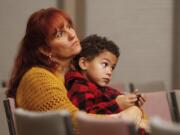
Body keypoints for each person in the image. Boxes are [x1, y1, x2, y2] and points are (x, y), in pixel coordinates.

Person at [6, 8, 148, 134]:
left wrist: (134, 110)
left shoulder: (71, 76)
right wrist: (123, 116)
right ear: (45, 49)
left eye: (69, 27)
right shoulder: (38, 77)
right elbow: (73, 124)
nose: (72, 34)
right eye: (60, 34)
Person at [65, 34, 146, 114]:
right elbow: (88, 118)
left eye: (112, 68)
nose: (109, 72)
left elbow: (118, 97)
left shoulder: (104, 89)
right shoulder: (79, 87)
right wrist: (117, 105)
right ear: (84, 64)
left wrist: (131, 101)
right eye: (105, 64)